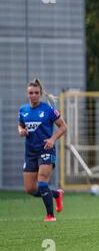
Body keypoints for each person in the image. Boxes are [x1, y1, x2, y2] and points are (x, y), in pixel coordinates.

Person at [18, 78, 68, 222]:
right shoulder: (23, 110)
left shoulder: (48, 109)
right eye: (30, 93)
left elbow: (64, 127)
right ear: (27, 94)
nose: (33, 95)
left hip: (46, 150)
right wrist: (21, 130)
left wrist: (52, 139)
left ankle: (50, 216)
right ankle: (57, 195)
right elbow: (20, 125)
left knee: (42, 182)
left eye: (36, 92)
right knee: (30, 189)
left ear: (40, 94)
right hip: (30, 153)